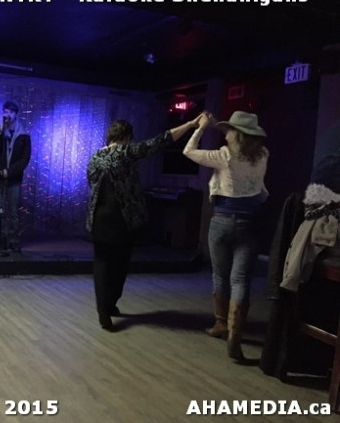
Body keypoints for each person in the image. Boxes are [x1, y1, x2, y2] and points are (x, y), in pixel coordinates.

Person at [86, 116, 201, 330]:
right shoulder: (126, 153)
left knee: (101, 263)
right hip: (122, 219)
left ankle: (104, 311)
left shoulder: (95, 158)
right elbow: (160, 141)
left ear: (110, 136)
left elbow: (91, 183)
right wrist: (189, 124)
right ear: (127, 137)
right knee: (120, 264)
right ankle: (110, 303)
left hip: (99, 218)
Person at [183, 110, 268, 362]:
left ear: (238, 134)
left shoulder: (224, 155)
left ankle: (221, 323)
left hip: (222, 221)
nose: (226, 134)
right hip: (250, 224)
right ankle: (235, 334)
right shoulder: (263, 154)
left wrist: (201, 128)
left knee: (220, 276)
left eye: (229, 130)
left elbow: (188, 151)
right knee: (240, 279)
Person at [0, 100, 31, 252]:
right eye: (5, 111)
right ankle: (2, 239)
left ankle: (13, 239)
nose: (7, 114)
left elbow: (25, 159)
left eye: (11, 112)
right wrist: (1, 129)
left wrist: (11, 171)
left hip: (14, 178)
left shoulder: (24, 136)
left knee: (13, 210)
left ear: (16, 114)